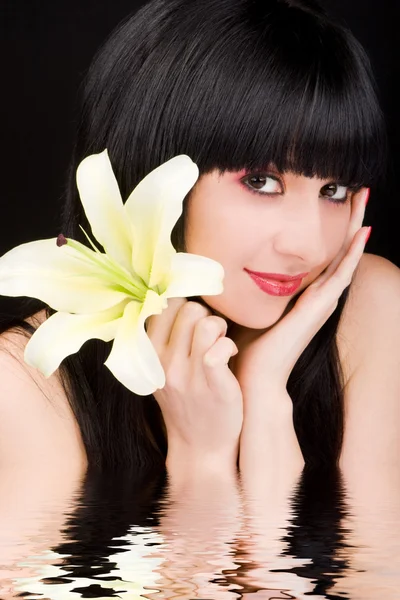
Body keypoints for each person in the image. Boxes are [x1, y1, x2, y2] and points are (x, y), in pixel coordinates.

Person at [0, 0, 399, 483]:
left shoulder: (373, 310)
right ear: (153, 165)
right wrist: (201, 459)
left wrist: (266, 388)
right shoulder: (22, 386)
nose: (309, 248)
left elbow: (372, 558)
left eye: (333, 191)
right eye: (261, 182)